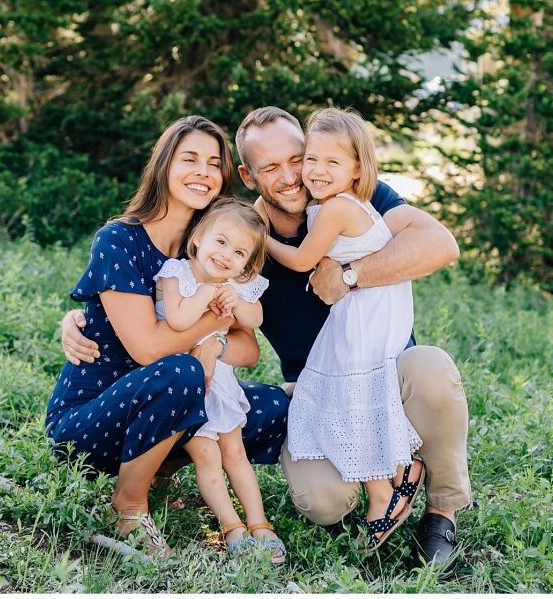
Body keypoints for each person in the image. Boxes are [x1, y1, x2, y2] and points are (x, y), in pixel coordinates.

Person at [62, 107, 470, 571]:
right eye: (271, 168)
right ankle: (145, 491)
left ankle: (441, 512)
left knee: (429, 367)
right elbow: (158, 300)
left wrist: (352, 275)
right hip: (316, 390)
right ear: (249, 177)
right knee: (323, 502)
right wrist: (85, 318)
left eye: (299, 158)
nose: (296, 176)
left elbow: (441, 244)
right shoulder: (241, 240)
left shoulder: (350, 190)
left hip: (384, 371)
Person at [46, 115, 288, 558]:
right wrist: (212, 330)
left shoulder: (217, 248)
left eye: (214, 163)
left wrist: (214, 343)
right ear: (164, 165)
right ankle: (129, 505)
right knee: (181, 372)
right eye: (189, 158)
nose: (203, 172)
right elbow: (149, 348)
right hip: (91, 423)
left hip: (171, 398)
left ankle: (156, 468)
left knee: (274, 407)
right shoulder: (120, 240)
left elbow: (249, 349)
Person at [254, 107, 425, 552]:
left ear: (357, 170)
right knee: (342, 391)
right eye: (312, 159)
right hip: (360, 312)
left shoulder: (335, 207)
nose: (308, 172)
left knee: (350, 389)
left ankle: (385, 489)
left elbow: (300, 261)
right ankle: (390, 476)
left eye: (330, 162)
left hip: (364, 311)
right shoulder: (324, 202)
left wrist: (258, 234)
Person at [154, 196, 286, 563]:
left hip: (221, 382)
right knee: (208, 455)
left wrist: (235, 301)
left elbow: (255, 317)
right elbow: (179, 320)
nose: (227, 255)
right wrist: (209, 293)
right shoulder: (176, 273)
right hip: (184, 386)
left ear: (246, 265)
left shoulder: (233, 285)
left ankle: (260, 523)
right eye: (221, 241)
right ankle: (232, 527)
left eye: (240, 253)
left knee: (235, 453)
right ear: (198, 237)